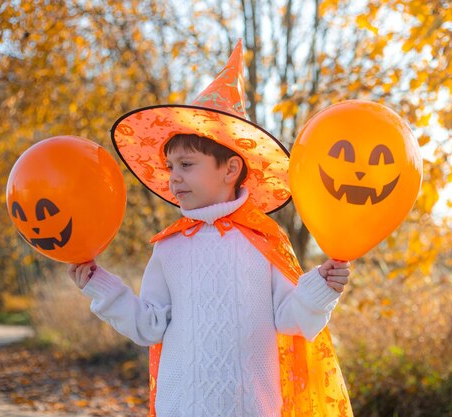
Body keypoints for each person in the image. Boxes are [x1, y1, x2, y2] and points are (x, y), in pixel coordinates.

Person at [68, 41, 355, 417]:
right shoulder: (169, 248)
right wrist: (98, 284)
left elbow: (291, 319)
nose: (174, 179)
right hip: (180, 407)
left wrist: (321, 287)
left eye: (187, 164)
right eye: (170, 167)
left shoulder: (263, 240)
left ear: (230, 170)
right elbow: (149, 325)